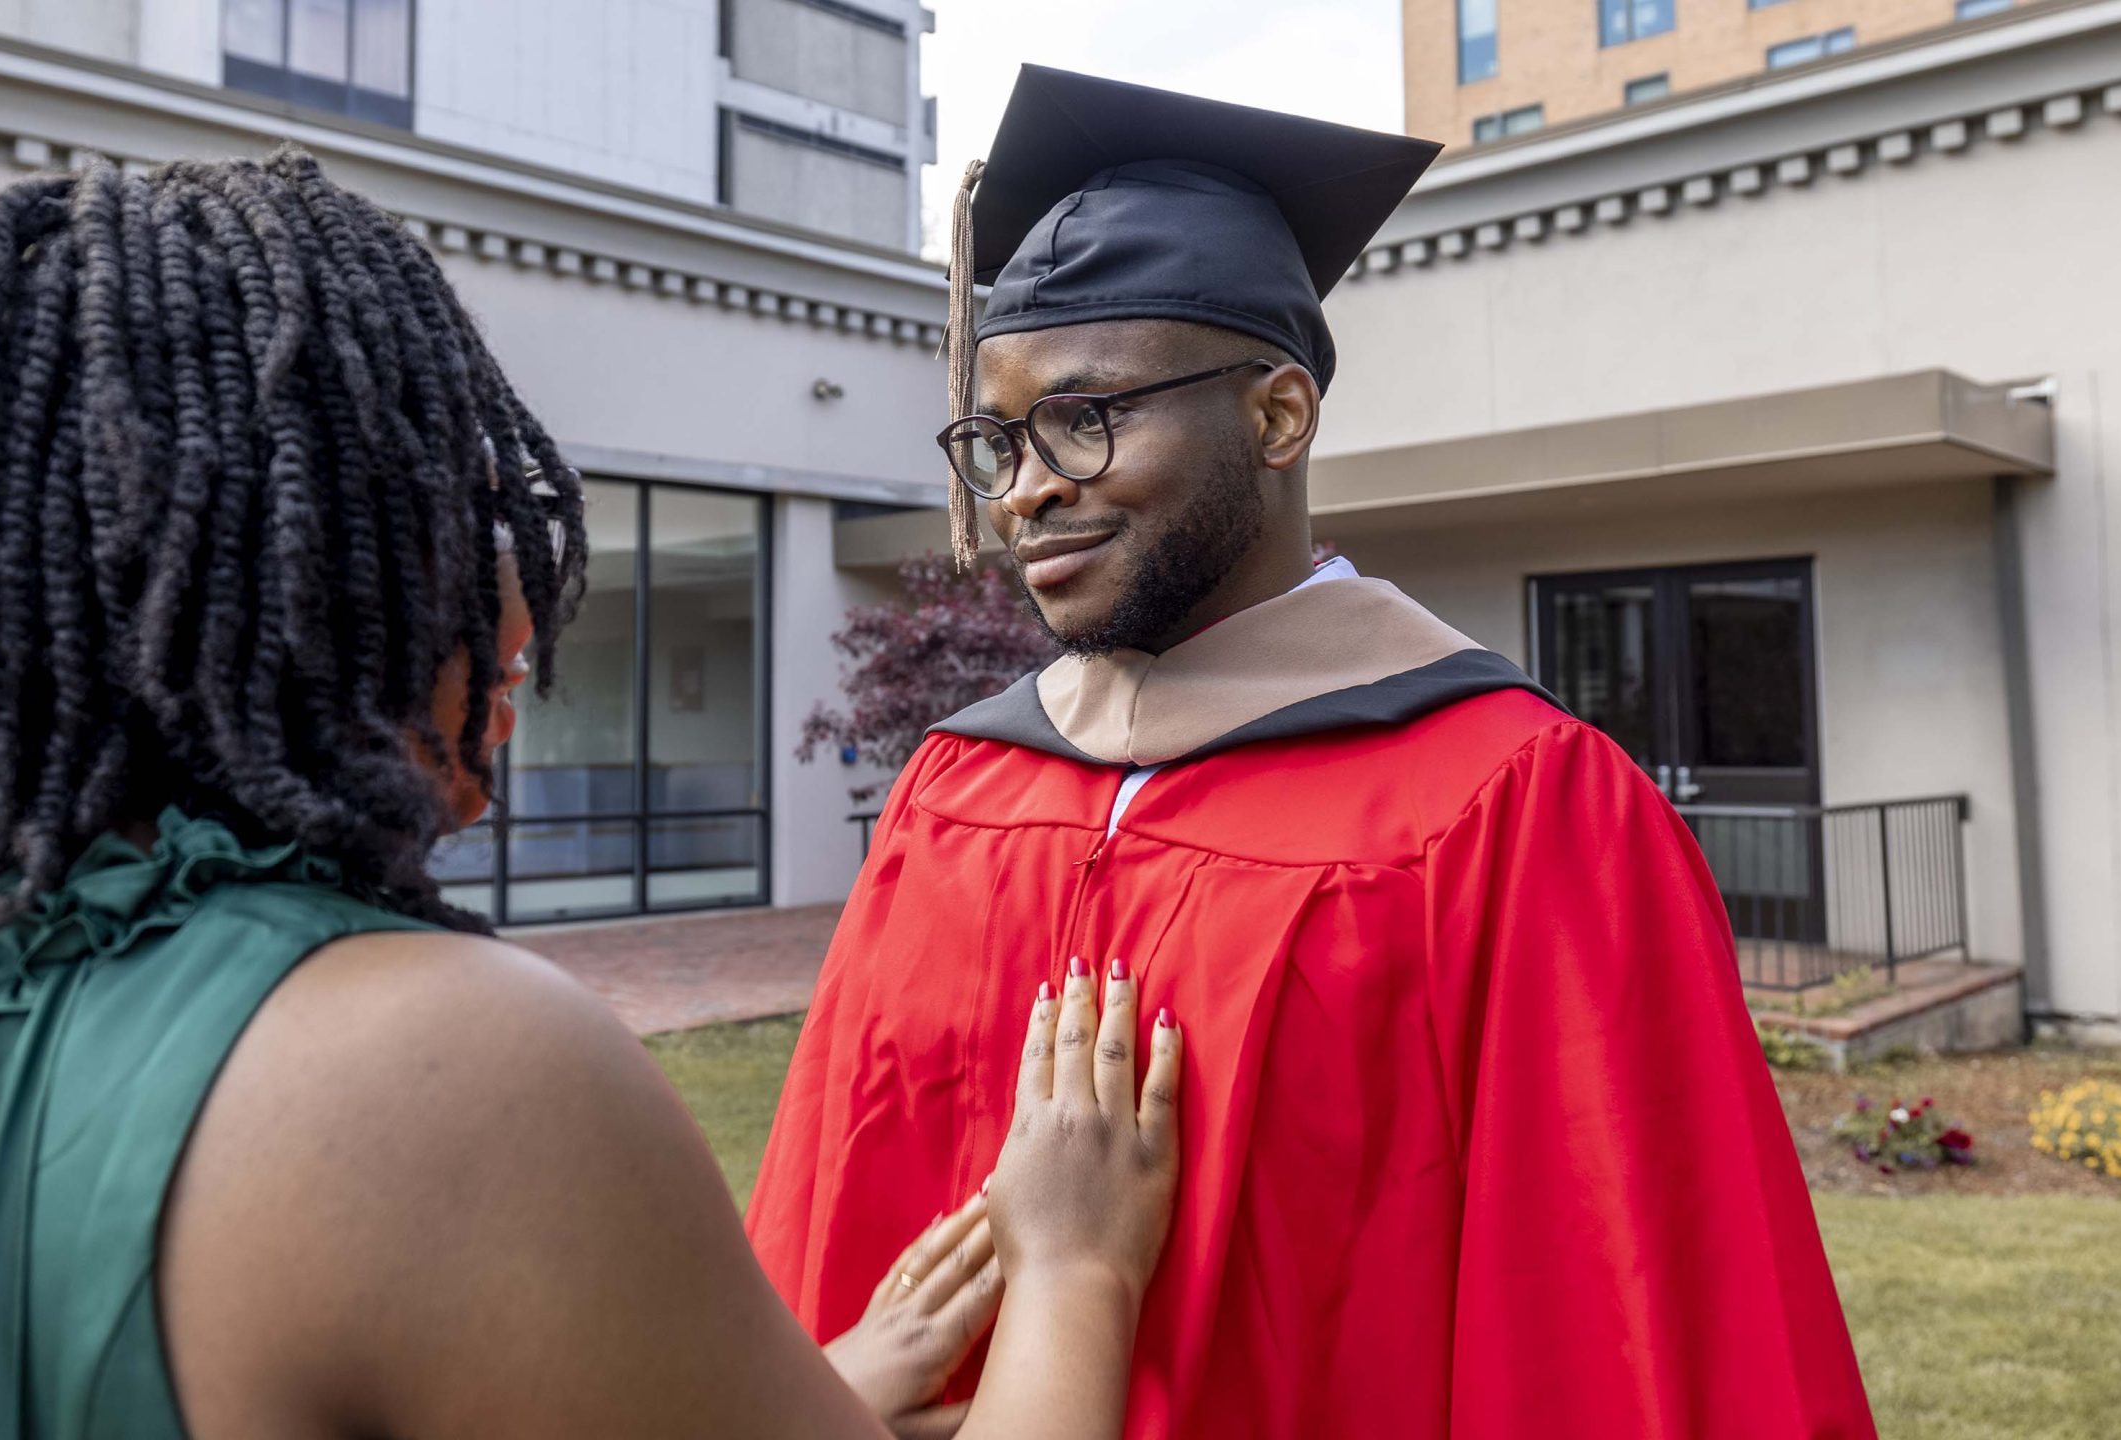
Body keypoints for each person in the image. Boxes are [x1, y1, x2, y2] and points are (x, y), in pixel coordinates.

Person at [0, 149, 1190, 1440]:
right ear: (285, 569)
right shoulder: (439, 1067)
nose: (522, 598)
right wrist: (1073, 1265)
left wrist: (814, 1391)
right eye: (442, 501)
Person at [746, 67, 1877, 1438]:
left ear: (1279, 417)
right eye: (998, 440)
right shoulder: (956, 794)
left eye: (1085, 418)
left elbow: (1627, 1331)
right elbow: (823, 1244)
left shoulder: (1520, 808)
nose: (1030, 483)